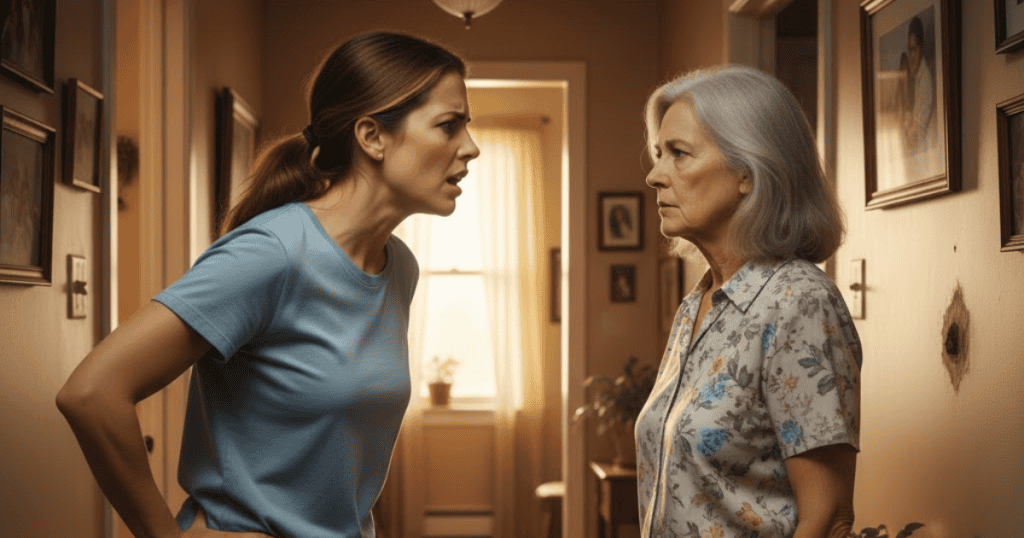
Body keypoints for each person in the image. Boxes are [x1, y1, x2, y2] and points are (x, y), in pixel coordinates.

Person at [56, 31, 479, 538]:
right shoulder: (273, 253)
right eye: (449, 126)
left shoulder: (399, 267)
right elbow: (93, 392)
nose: (470, 147)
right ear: (372, 137)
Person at [636, 65, 861, 538]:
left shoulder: (799, 302)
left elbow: (828, 519)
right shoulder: (697, 303)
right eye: (659, 154)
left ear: (748, 172)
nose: (655, 176)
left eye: (679, 154)